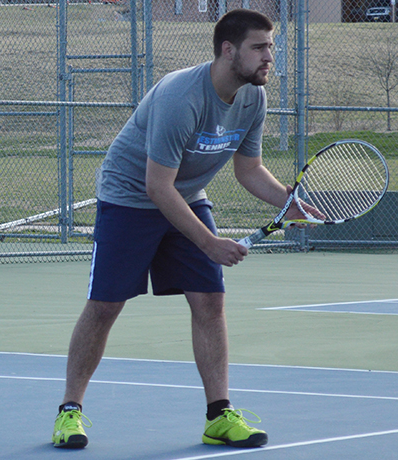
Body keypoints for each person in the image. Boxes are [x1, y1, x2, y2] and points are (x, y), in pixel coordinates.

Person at [52, 8, 308, 450]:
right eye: (261, 47)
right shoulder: (180, 96)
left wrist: (290, 202)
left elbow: (249, 170)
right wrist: (208, 242)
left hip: (185, 195)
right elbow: (156, 186)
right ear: (228, 50)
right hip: (130, 196)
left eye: (272, 47)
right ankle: (69, 414)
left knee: (210, 301)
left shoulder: (253, 97)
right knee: (105, 306)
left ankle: (219, 416)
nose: (271, 57)